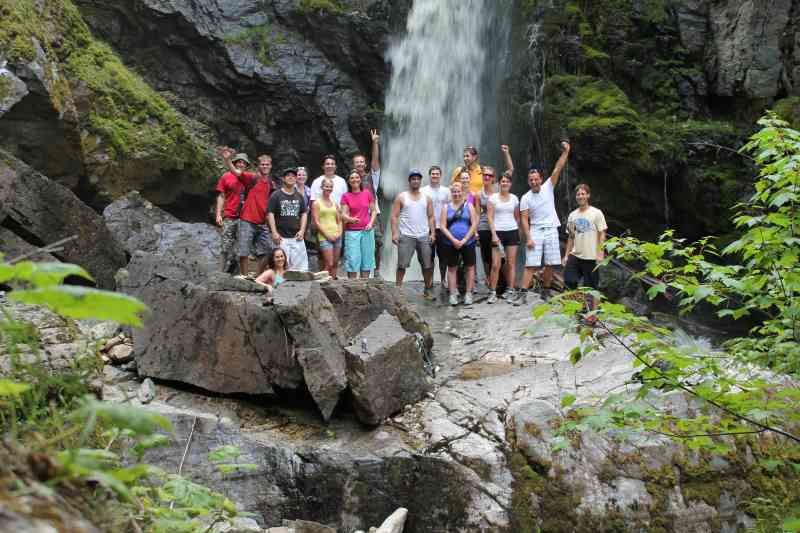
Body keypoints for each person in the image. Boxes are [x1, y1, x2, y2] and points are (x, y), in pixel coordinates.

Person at [518, 141, 572, 305]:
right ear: (528, 181)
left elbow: (558, 167)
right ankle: (523, 293)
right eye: (531, 180)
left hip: (551, 229)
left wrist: (566, 152)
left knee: (550, 263)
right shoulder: (525, 198)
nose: (534, 182)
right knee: (531, 264)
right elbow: (524, 219)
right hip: (535, 230)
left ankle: (546, 290)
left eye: (536, 179)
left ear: (541, 179)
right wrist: (528, 238)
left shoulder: (549, 186)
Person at [390, 169, 436, 298]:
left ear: (420, 181)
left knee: (427, 265)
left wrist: (433, 234)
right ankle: (397, 290)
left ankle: (427, 289)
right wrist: (394, 233)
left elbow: (431, 216)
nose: (416, 181)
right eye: (413, 179)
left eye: (418, 179)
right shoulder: (401, 197)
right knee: (401, 265)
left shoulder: (427, 198)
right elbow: (394, 216)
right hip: (406, 235)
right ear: (409, 181)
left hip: (423, 235)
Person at [563, 183, 607, 316]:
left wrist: (600, 253)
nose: (580, 196)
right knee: (569, 281)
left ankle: (593, 315)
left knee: (592, 287)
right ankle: (580, 308)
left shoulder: (596, 213)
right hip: (576, 254)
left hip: (591, 256)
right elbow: (571, 236)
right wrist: (566, 255)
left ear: (588, 195)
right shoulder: (572, 215)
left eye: (583, 193)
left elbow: (602, 233)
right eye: (578, 194)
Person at [215, 149, 256, 273]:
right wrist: (218, 214)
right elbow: (221, 196)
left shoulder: (250, 178)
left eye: (244, 163)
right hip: (229, 216)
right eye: (239, 162)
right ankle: (220, 273)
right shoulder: (226, 177)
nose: (241, 164)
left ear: (247, 166)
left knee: (243, 246)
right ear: (235, 163)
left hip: (245, 218)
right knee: (225, 245)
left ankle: (241, 274)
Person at [235, 155, 275, 277]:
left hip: (262, 221)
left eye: (267, 164)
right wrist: (227, 160)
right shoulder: (252, 177)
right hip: (247, 219)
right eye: (263, 164)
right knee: (244, 251)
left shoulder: (270, 183)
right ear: (258, 166)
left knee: (269, 251)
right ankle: (243, 276)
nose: (265, 166)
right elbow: (236, 172)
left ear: (271, 166)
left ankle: (257, 276)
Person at [440, 181, 478, 306]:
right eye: (454, 192)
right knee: (451, 268)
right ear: (451, 193)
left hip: (468, 242)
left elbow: (474, 224)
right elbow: (442, 226)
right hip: (451, 243)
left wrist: (465, 240)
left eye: (458, 191)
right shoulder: (446, 207)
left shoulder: (469, 206)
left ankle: (468, 294)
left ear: (462, 192)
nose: (456, 194)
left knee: (470, 267)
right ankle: (452, 294)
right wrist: (453, 240)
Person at [352, 129, 383, 277]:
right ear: (354, 165)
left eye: (361, 162)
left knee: (377, 242)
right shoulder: (351, 180)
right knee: (356, 242)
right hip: (357, 214)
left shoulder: (372, 178)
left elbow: (375, 162)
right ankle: (358, 271)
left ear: (365, 164)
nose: (359, 164)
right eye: (356, 162)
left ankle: (376, 271)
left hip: (372, 213)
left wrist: (375, 142)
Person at [487, 174, 520, 304]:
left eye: (507, 181)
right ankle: (492, 292)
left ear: (510, 184)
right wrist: (494, 235)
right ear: (499, 184)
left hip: (512, 232)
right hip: (498, 232)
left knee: (511, 263)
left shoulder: (514, 199)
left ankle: (510, 290)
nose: (504, 183)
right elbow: (490, 217)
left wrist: (518, 231)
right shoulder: (493, 198)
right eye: (502, 181)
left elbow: (517, 217)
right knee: (496, 265)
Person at [268, 168, 309, 271]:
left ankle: (298, 287)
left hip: (297, 237)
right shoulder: (276, 195)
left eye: (293, 176)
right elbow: (270, 214)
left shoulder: (299, 196)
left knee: (300, 269)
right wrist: (274, 232)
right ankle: (278, 286)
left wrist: (302, 230)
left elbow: (304, 213)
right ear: (283, 178)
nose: (291, 177)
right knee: (280, 267)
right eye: (288, 176)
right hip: (281, 237)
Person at [341, 169, 377, 279]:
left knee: (366, 260)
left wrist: (371, 223)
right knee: (353, 260)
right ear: (349, 181)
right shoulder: (346, 196)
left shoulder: (367, 193)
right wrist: (351, 219)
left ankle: (365, 286)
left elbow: (374, 211)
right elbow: (343, 215)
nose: (354, 179)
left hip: (367, 231)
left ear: (360, 180)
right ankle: (353, 287)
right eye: (352, 178)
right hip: (352, 232)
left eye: (357, 177)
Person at [421, 166, 450, 298]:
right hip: (427, 228)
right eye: (433, 174)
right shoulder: (423, 191)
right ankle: (430, 280)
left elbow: (451, 208)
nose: (435, 176)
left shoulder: (447, 191)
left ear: (440, 175)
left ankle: (443, 279)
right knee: (429, 256)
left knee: (443, 256)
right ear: (429, 175)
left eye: (437, 174)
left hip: (443, 227)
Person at [311, 177, 343, 278]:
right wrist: (327, 235)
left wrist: (339, 233)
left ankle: (333, 285)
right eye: (326, 186)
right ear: (322, 187)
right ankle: (320, 284)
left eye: (330, 187)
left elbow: (339, 221)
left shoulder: (334, 203)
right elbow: (316, 221)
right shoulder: (316, 203)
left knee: (335, 263)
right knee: (328, 263)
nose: (328, 188)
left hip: (337, 236)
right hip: (324, 236)